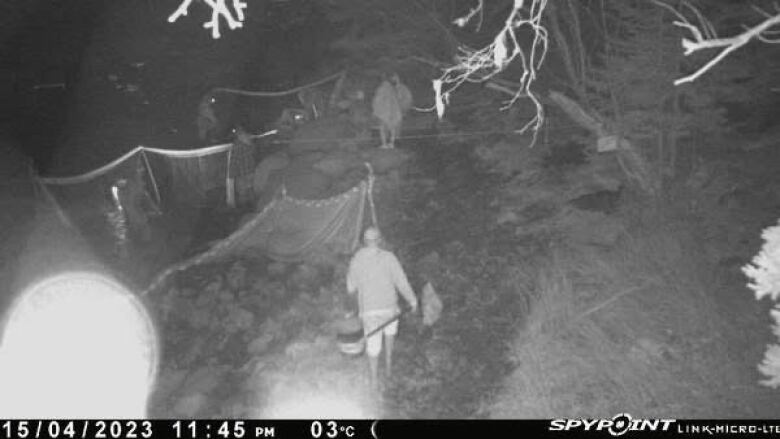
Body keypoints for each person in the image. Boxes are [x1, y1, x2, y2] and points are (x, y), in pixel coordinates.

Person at [347, 227, 418, 389]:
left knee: (373, 347)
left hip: (369, 312)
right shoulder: (389, 257)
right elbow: (401, 281)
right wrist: (412, 300)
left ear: (364, 242)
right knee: (390, 334)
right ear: (379, 240)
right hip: (390, 309)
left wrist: (352, 308)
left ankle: (373, 380)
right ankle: (388, 366)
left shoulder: (356, 260)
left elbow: (351, 287)